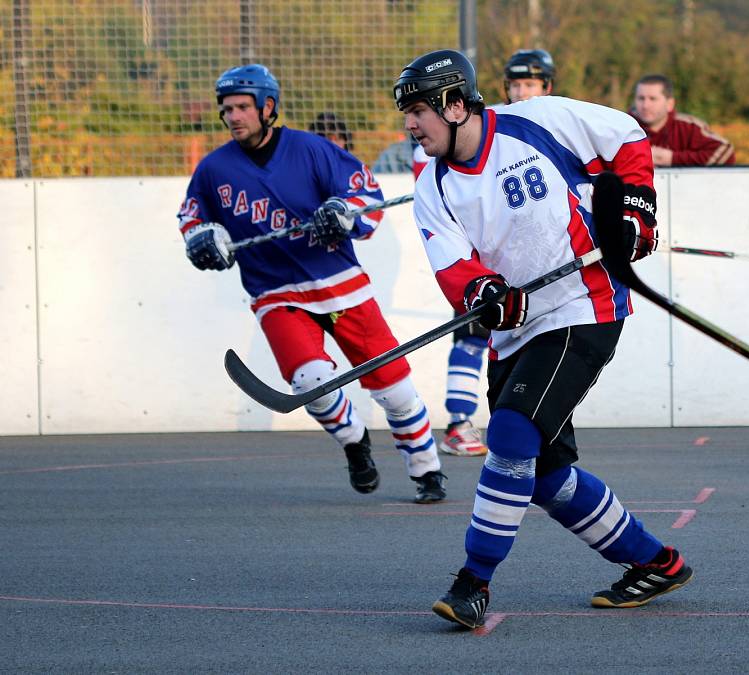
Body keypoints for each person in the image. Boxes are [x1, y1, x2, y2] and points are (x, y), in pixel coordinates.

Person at [393, 49, 693, 628]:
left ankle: (472, 583)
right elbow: (453, 265)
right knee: (545, 476)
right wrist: (486, 293)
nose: (410, 124)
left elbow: (627, 138)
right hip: (521, 333)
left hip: (584, 305)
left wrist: (636, 210)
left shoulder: (539, 120)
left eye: (418, 111)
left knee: (510, 434)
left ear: (455, 106)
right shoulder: (433, 183)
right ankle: (658, 562)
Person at [177, 64, 446, 504]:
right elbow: (191, 218)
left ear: (268, 107)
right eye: (226, 110)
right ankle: (355, 442)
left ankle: (426, 469)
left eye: (243, 107)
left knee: (395, 389)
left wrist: (343, 212)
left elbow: (368, 199)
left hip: (341, 285)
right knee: (312, 382)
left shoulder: (312, 150)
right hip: (276, 294)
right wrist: (200, 239)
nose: (233, 117)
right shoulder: (213, 169)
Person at [435, 48, 557, 458]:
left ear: (548, 88)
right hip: (487, 259)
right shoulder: (484, 125)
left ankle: (532, 430)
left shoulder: (552, 122)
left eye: (531, 84)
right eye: (515, 84)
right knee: (473, 335)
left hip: (543, 262)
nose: (522, 91)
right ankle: (458, 422)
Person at [631, 74, 735, 167]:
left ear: (670, 104)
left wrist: (672, 158)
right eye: (641, 98)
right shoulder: (623, 127)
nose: (645, 105)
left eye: (653, 99)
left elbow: (725, 151)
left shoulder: (689, 127)